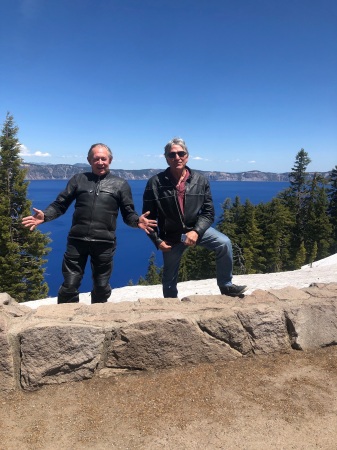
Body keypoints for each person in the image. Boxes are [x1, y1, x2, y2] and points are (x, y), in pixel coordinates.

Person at [22, 143, 157, 304]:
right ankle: (65, 321)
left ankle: (97, 322)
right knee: (69, 286)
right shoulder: (78, 179)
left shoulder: (120, 184)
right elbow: (60, 204)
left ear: (110, 160)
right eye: (96, 159)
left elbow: (128, 214)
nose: (100, 162)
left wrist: (137, 221)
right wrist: (45, 215)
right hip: (77, 241)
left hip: (104, 243)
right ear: (89, 160)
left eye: (103, 158)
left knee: (101, 287)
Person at [142, 137, 247, 299]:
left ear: (187, 156)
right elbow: (148, 219)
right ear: (166, 158)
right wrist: (157, 241)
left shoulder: (200, 180)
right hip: (170, 236)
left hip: (195, 229)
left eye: (181, 153)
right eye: (172, 155)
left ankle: (226, 286)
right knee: (169, 278)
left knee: (224, 243)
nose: (177, 157)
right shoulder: (155, 183)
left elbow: (208, 212)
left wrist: (196, 231)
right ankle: (171, 305)